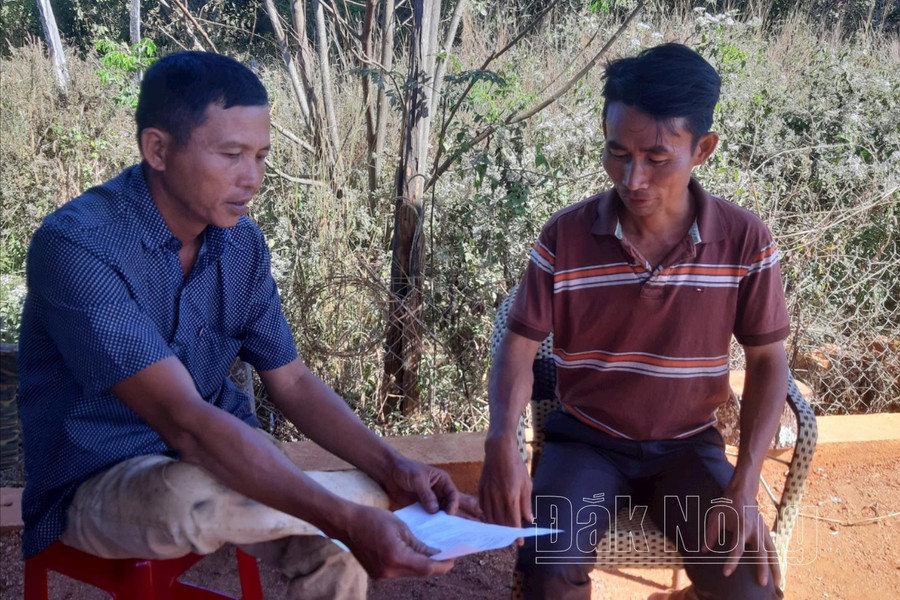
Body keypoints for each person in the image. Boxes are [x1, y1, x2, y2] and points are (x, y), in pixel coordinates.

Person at [18, 51, 475, 600]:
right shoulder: (76, 245)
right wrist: (345, 513)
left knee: (335, 549)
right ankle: (349, 504)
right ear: (158, 149)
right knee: (190, 494)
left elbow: (294, 383)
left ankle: (350, 505)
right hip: (95, 480)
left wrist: (393, 465)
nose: (252, 178)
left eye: (260, 156)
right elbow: (185, 423)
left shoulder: (241, 245)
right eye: (231, 154)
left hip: (220, 462)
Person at [478, 43, 789, 600]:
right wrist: (502, 441)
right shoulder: (566, 236)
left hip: (689, 449)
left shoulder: (744, 241)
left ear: (703, 150)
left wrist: (744, 483)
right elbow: (519, 345)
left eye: (656, 157)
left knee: (749, 587)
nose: (633, 177)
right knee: (547, 571)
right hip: (587, 445)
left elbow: (769, 360)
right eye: (617, 153)